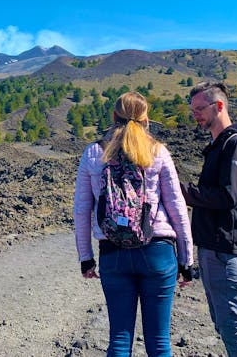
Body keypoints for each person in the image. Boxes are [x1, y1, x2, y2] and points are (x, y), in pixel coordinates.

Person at [73, 92, 194, 356]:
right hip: (157, 252)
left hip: (113, 253)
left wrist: (86, 258)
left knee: (118, 339)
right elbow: (177, 208)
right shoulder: (157, 152)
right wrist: (187, 261)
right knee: (159, 342)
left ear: (114, 117)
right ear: (145, 119)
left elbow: (82, 210)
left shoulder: (94, 153)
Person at [180, 81, 237, 357]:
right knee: (226, 327)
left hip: (228, 251)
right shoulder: (219, 144)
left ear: (220, 106)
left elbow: (229, 196)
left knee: (236, 330)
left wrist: (182, 192)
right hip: (217, 249)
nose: (196, 115)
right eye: (193, 111)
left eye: (200, 109)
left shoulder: (236, 143)